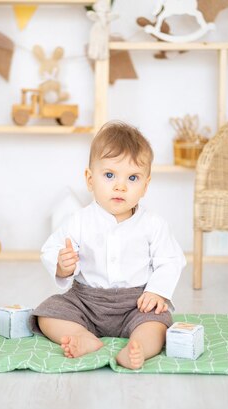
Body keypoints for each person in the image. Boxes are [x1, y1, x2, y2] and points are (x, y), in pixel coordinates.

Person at [29, 121, 186, 370]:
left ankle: (138, 348)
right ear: (90, 180)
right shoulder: (79, 220)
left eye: (132, 178)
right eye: (110, 175)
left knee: (158, 323)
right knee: (47, 313)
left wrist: (157, 292)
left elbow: (171, 259)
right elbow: (50, 248)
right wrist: (62, 265)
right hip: (86, 301)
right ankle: (83, 337)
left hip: (136, 302)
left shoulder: (153, 224)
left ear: (145, 185)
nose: (120, 186)